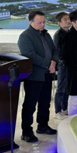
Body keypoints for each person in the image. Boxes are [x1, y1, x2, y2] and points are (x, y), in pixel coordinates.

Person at [18, 11, 58, 142]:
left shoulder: (46, 34)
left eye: (44, 22)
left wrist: (54, 62)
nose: (43, 24)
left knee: (45, 102)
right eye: (39, 22)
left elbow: (55, 50)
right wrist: (48, 63)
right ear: (31, 22)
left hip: (47, 74)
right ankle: (26, 131)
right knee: (30, 104)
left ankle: (43, 125)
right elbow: (29, 54)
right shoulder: (25, 36)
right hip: (34, 75)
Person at [53, 12, 71, 120]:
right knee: (61, 88)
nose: (68, 21)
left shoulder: (71, 33)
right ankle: (57, 111)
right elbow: (57, 52)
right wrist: (63, 62)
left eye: (69, 19)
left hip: (70, 64)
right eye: (65, 19)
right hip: (62, 64)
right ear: (59, 23)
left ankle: (65, 108)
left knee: (68, 88)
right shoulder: (58, 35)